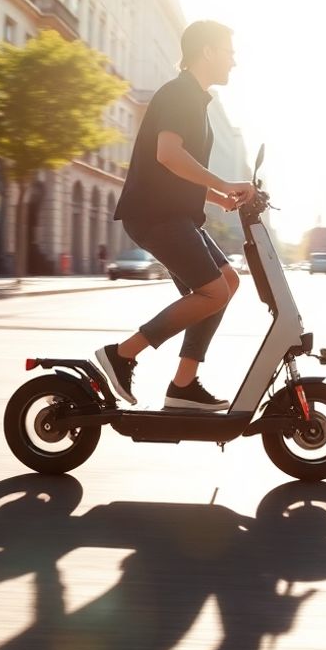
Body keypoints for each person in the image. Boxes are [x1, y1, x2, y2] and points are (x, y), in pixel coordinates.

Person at [96, 21, 255, 411]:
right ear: (207, 52)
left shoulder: (196, 100)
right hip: (155, 214)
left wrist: (219, 198)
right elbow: (168, 155)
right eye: (229, 51)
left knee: (227, 282)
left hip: (176, 213)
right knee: (213, 290)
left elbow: (182, 170)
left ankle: (183, 386)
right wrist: (224, 183)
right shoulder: (179, 93)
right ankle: (122, 354)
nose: (234, 61)